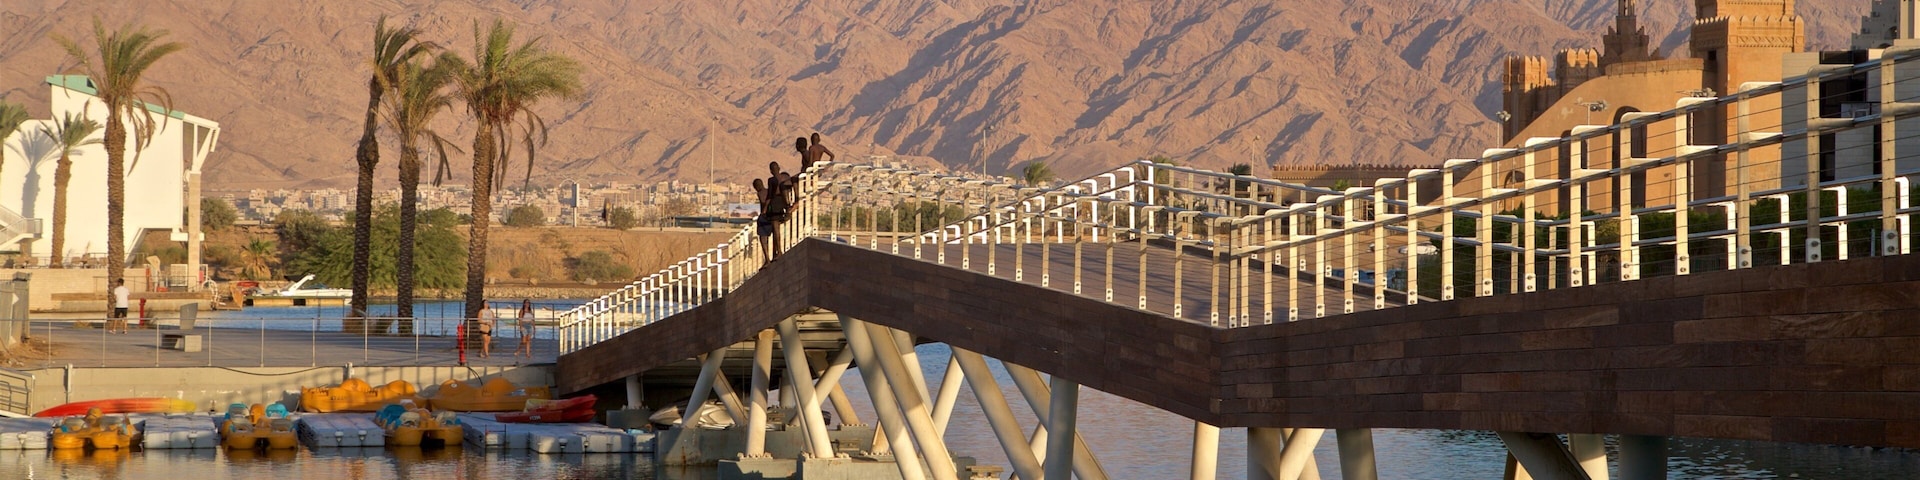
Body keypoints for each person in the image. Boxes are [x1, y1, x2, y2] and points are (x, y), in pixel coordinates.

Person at [764, 161, 795, 258]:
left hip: (775, 203)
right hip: (784, 202)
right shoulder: (786, 178)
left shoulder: (771, 180)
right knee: (779, 229)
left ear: (771, 171)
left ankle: (779, 251)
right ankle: (777, 251)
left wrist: (765, 209)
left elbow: (769, 195)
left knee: (775, 229)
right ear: (779, 168)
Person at [752, 178, 774, 260]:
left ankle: (767, 258)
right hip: (772, 215)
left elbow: (765, 202)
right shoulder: (768, 191)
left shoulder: (760, 193)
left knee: (763, 238)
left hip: (766, 217)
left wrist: (764, 211)